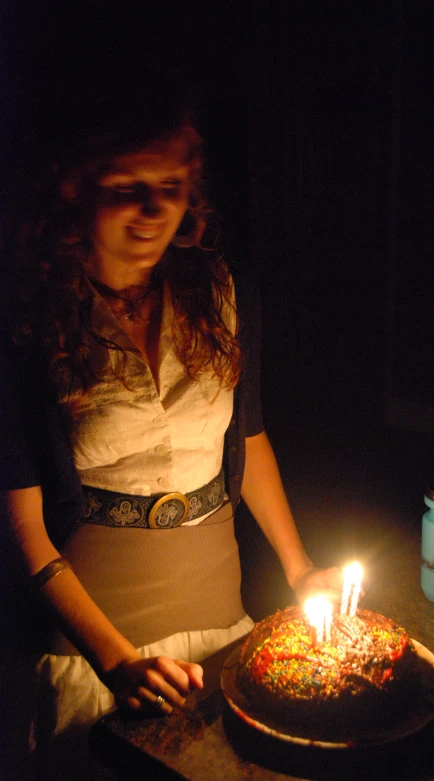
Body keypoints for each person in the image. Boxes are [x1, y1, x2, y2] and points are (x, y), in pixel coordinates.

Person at [0, 95, 342, 780]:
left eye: (170, 189)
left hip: (220, 623)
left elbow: (250, 439)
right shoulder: (30, 318)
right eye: (128, 191)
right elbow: (22, 527)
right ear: (75, 193)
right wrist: (116, 659)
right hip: (88, 651)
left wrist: (300, 567)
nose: (153, 213)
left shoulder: (219, 290)